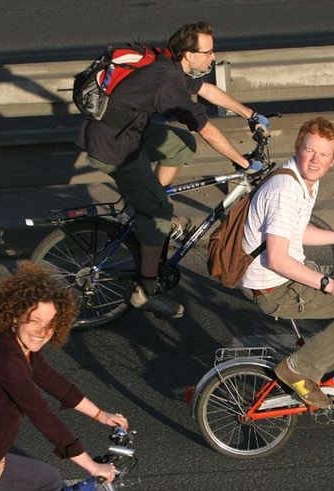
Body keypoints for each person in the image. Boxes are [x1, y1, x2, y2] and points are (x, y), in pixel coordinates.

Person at [76, 21, 270, 319]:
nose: (212, 57)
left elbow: (206, 89)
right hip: (114, 146)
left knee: (179, 144)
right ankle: (146, 291)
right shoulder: (167, 81)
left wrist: (251, 114)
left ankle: (147, 201)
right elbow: (206, 129)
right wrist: (243, 163)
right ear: (188, 54)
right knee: (159, 213)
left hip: (128, 132)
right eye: (207, 52)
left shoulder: (171, 63)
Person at [241, 116, 334, 419]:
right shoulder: (285, 189)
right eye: (310, 151)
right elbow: (277, 259)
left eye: (323, 154)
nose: (315, 160)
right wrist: (327, 284)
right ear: (298, 148)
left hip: (286, 271)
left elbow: (297, 231)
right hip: (274, 286)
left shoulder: (304, 181)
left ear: (333, 161)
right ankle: (297, 369)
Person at [0, 262, 129, 491]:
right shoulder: (5, 359)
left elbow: (52, 380)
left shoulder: (11, 341)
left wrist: (100, 415)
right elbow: (41, 414)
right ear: (16, 314)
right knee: (47, 480)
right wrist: (91, 466)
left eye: (50, 324)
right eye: (35, 320)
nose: (42, 331)